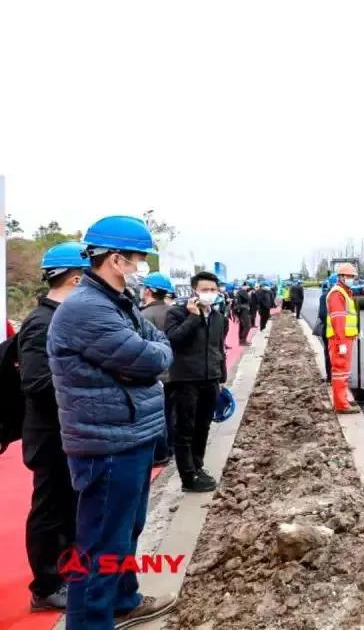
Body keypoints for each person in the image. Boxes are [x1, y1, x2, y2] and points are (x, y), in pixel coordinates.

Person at [46, 215, 176, 627]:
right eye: (137, 260)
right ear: (117, 260)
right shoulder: (87, 309)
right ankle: (88, 622)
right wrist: (143, 364)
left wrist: (142, 365)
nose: (141, 269)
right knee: (100, 545)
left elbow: (158, 349)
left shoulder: (116, 303)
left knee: (126, 531)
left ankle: (123, 600)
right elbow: (150, 357)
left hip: (128, 436)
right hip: (106, 446)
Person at [19, 242, 88, 612]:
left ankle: (67, 569)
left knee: (69, 508)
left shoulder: (63, 319)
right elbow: (36, 383)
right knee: (50, 509)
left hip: (68, 430)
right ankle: (45, 585)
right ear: (76, 280)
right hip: (50, 435)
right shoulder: (41, 323)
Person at [164, 272, 227, 493]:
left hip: (210, 379)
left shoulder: (219, 318)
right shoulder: (176, 313)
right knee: (185, 429)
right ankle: (188, 477)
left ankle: (198, 466)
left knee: (203, 426)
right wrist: (193, 317)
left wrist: (222, 378)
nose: (209, 293)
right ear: (194, 290)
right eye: (204, 289)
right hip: (185, 380)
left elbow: (219, 349)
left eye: (213, 289)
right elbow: (174, 340)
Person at [139, 272, 177, 468]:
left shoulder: (143, 316)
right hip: (177, 371)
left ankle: (161, 453)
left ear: (148, 291)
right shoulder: (174, 311)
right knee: (174, 412)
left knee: (160, 415)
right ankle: (173, 447)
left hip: (157, 374)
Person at [326, 264, 362, 414]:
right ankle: (341, 405)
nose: (352, 279)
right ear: (341, 277)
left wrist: (356, 331)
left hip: (346, 338)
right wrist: (341, 343)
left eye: (353, 277)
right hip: (339, 339)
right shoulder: (337, 294)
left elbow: (349, 317)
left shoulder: (345, 292)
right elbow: (338, 320)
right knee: (340, 371)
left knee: (344, 371)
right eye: (350, 277)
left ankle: (343, 400)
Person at [234, 282, 253, 346]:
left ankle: (242, 340)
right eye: (248, 286)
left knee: (243, 326)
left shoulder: (241, 292)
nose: (248, 287)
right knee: (247, 325)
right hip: (243, 311)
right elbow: (238, 304)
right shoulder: (242, 292)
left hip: (243, 310)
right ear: (244, 286)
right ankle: (243, 340)